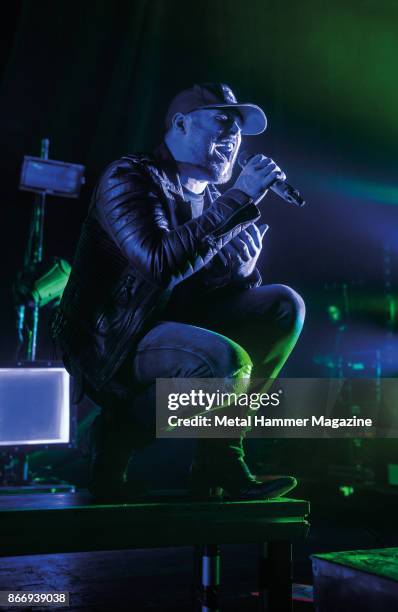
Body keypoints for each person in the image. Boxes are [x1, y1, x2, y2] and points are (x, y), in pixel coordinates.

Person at [52, 83, 305, 502]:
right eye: (222, 121)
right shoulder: (130, 177)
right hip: (114, 339)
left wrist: (241, 274)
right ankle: (118, 433)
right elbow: (159, 264)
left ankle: (219, 457)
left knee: (282, 306)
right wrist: (241, 198)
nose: (233, 136)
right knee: (225, 367)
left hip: (172, 327)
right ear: (182, 124)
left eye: (239, 129)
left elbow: (198, 288)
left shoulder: (213, 199)